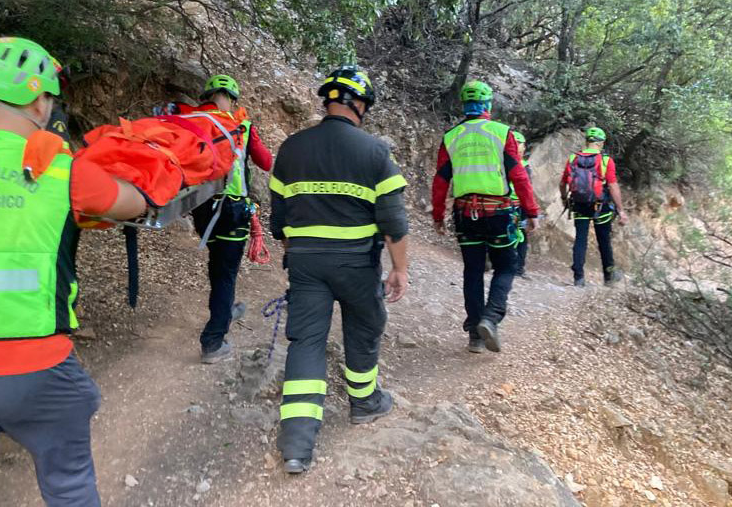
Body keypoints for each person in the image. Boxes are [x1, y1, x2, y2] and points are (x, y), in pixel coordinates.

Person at [0, 37, 148, 507]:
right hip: (33, 370)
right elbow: (133, 203)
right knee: (69, 487)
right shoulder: (60, 169)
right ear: (39, 100)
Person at [269, 65, 409, 475]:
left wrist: (300, 255)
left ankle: (296, 443)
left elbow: (279, 221)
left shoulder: (291, 148)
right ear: (360, 104)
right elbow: (395, 224)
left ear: (328, 100)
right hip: (357, 263)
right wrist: (400, 270)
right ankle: (364, 403)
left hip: (307, 263)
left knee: (306, 342)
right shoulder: (376, 152)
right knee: (363, 330)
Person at [431, 81, 539, 354]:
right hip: (498, 211)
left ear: (464, 106)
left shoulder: (451, 136)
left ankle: (475, 336)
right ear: (489, 105)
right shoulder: (502, 133)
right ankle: (491, 317)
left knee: (473, 270)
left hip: (465, 212)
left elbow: (441, 181)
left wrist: (437, 215)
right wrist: (532, 211)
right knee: (506, 267)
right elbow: (519, 176)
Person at [188, 74, 273, 363]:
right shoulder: (242, 125)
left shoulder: (191, 121)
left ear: (207, 96)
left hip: (201, 210)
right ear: (232, 99)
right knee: (225, 272)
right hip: (232, 210)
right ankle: (213, 341)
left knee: (218, 263)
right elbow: (266, 162)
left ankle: (225, 310)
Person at [559, 126, 628, 287]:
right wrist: (621, 209)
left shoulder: (572, 159)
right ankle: (609, 276)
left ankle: (578, 277)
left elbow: (562, 183)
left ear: (587, 141)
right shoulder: (605, 161)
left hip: (579, 204)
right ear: (601, 143)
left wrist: (564, 199)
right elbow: (612, 186)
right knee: (604, 240)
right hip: (600, 206)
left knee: (580, 239)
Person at [509, 130, 534, 278]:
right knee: (522, 234)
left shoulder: (500, 162)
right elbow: (527, 190)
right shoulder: (524, 166)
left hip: (501, 203)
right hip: (519, 205)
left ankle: (496, 262)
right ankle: (518, 268)